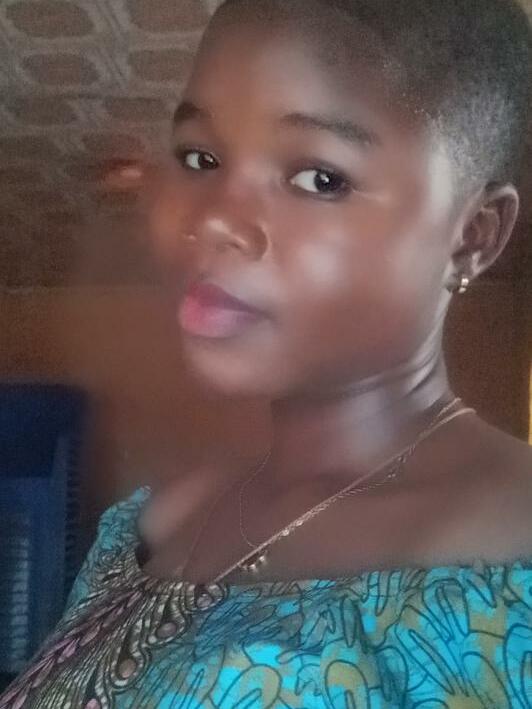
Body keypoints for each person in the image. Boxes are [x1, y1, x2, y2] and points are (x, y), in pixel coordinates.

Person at [2, 0, 532, 706]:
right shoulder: (146, 526)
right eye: (201, 158)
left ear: (473, 234)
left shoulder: (515, 563)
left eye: (320, 178)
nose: (214, 218)